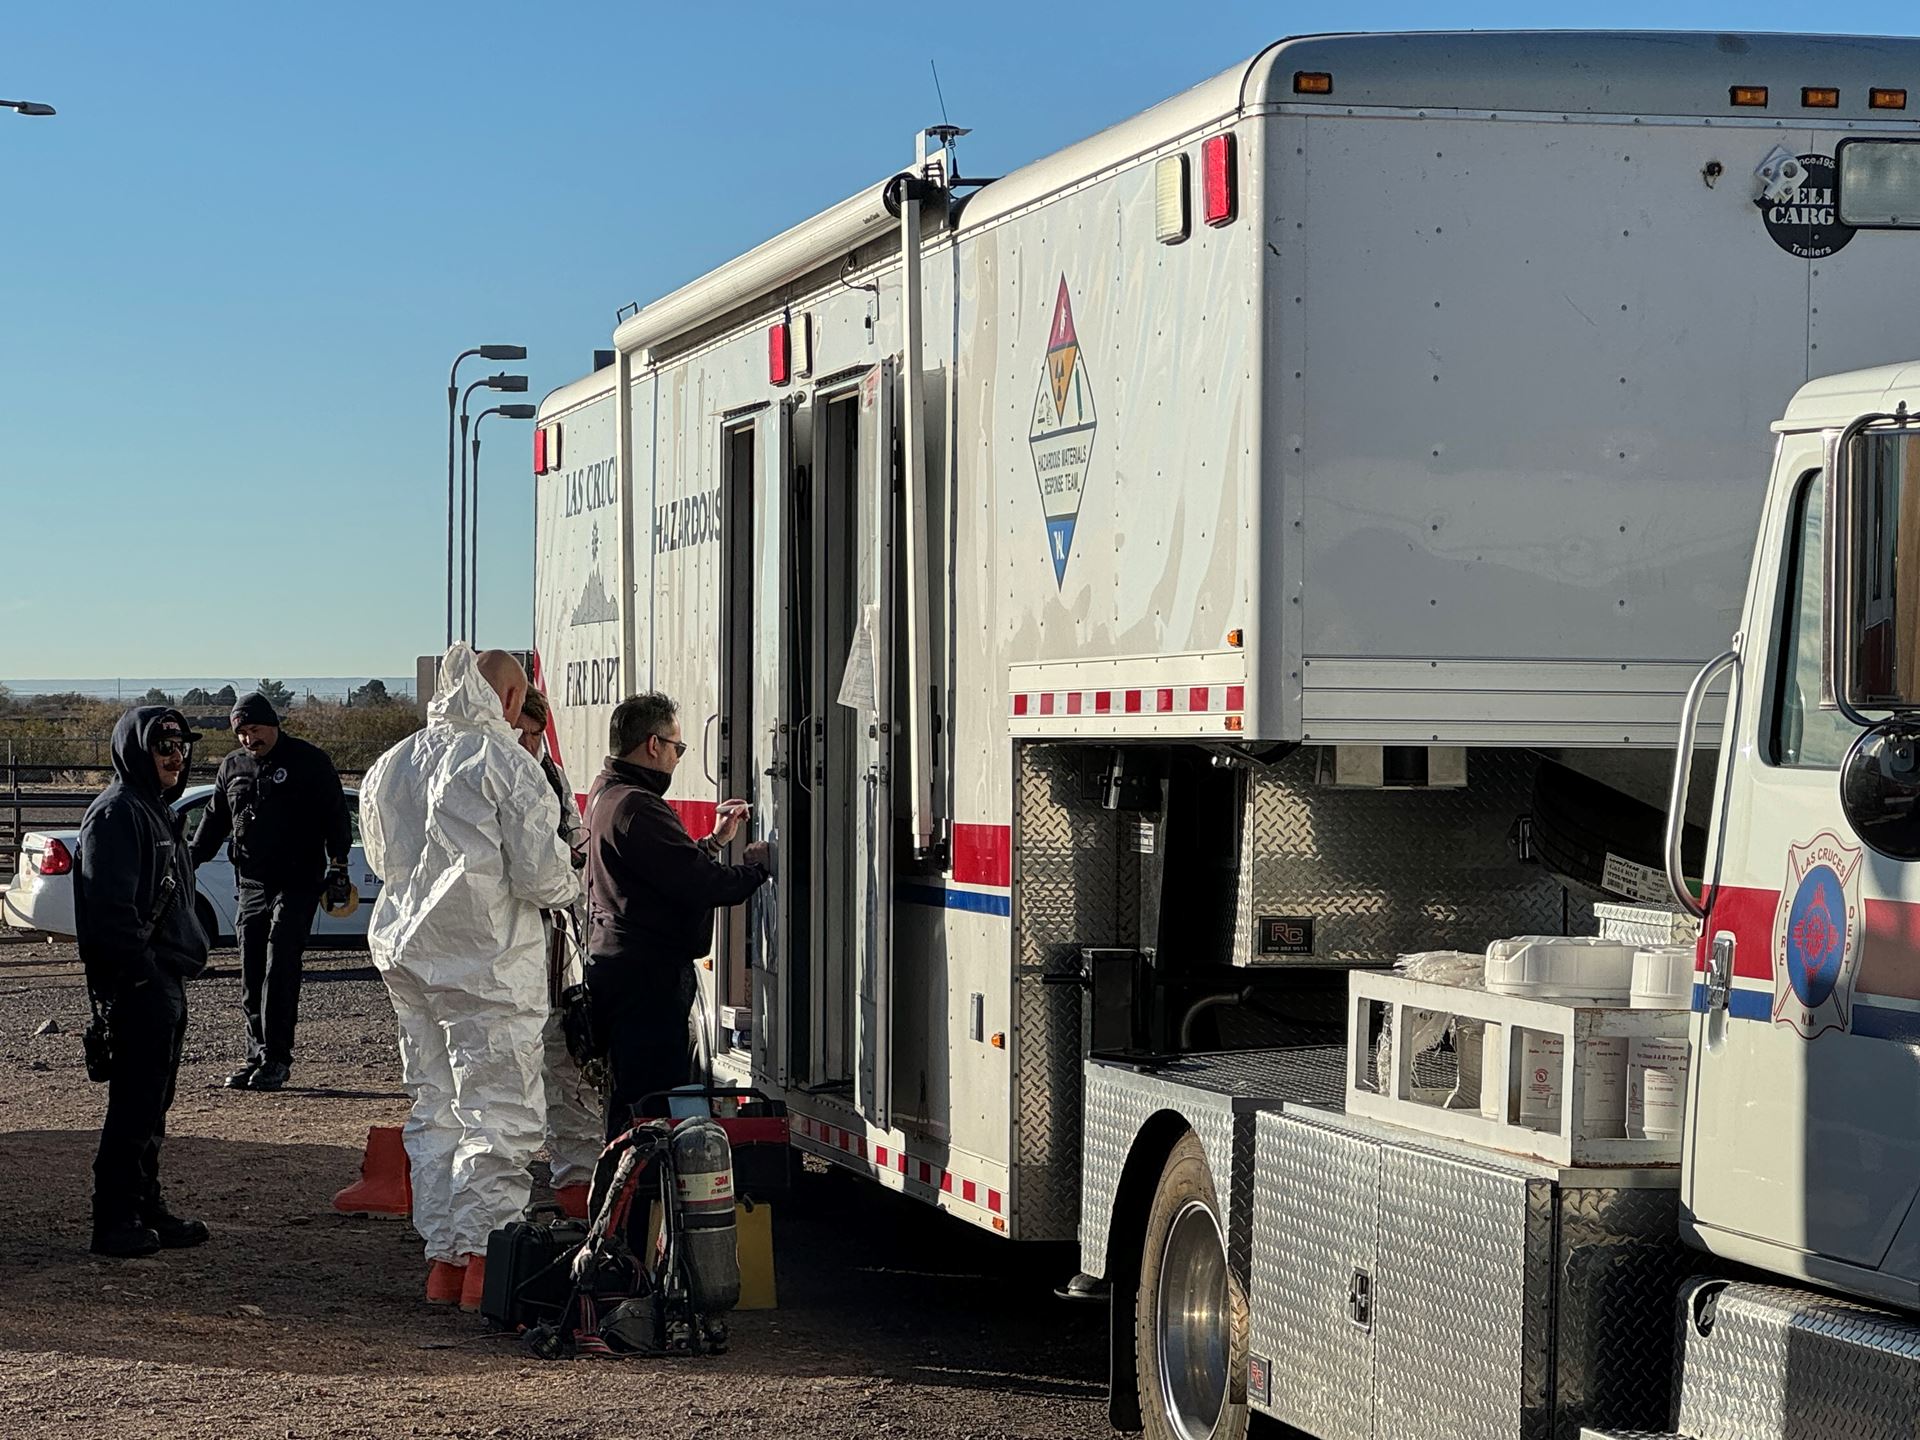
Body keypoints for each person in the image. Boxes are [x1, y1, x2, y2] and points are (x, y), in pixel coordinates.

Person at [359, 645, 580, 1311]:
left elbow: (379, 857)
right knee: (499, 1113)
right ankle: (487, 1263)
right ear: (512, 700)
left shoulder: (389, 765)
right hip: (487, 965)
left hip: (408, 957)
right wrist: (574, 876)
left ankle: (446, 1262)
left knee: (438, 1110)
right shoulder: (504, 763)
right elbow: (543, 877)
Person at [585, 692, 769, 1140]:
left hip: (619, 968)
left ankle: (623, 1197)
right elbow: (699, 883)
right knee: (651, 1107)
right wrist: (758, 867)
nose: (677, 758)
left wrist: (712, 841)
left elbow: (662, 874)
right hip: (647, 979)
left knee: (631, 1101)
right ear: (653, 745)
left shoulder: (607, 794)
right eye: (677, 748)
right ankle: (644, 1200)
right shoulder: (639, 806)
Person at [74, 706, 212, 1257]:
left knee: (153, 1105)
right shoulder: (117, 814)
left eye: (181, 746)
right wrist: (139, 978)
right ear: (138, 749)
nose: (176, 756)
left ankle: (144, 1206)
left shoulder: (153, 809)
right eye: (163, 746)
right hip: (140, 987)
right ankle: (114, 1219)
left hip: (163, 982)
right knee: (133, 1108)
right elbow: (111, 913)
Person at [189, 691, 352, 1092]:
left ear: (273, 724)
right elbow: (214, 821)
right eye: (241, 732)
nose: (249, 739)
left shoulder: (309, 761)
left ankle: (278, 1059)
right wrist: (186, 861)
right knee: (252, 971)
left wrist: (340, 865)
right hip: (252, 884)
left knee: (280, 965)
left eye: (255, 729)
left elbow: (335, 814)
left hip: (298, 882)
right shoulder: (233, 766)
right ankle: (255, 1056)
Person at [513, 686, 600, 1218]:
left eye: (534, 733)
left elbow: (573, 843)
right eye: (518, 732)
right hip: (506, 956)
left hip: (556, 949)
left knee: (569, 1070)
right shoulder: (489, 774)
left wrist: (567, 860)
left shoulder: (546, 774)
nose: (526, 742)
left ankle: (578, 1197)